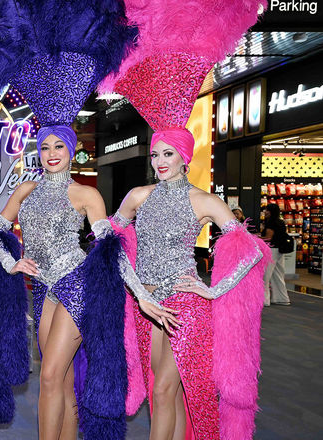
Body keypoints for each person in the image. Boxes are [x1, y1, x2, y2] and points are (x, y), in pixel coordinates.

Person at [0, 1, 176, 438]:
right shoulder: (24, 189)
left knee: (48, 378)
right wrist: (11, 262)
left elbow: (109, 251)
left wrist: (140, 295)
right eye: (44, 148)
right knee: (58, 378)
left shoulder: (85, 194)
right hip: (43, 287)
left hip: (77, 285)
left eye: (58, 148)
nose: (50, 155)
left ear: (70, 148)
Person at [99, 0, 267, 437]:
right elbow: (110, 248)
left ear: (185, 156)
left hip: (185, 306)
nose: (158, 161)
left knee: (171, 388)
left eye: (167, 154)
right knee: (163, 394)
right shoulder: (137, 195)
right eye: (155, 154)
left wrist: (213, 290)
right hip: (145, 304)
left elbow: (250, 252)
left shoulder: (205, 201)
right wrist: (140, 294)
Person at [262, 203, 291, 306]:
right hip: (280, 250)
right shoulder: (280, 222)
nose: (265, 212)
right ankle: (282, 298)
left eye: (267, 210)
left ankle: (265, 300)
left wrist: (255, 237)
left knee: (266, 276)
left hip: (271, 250)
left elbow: (268, 238)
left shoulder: (271, 223)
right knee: (278, 274)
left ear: (271, 211)